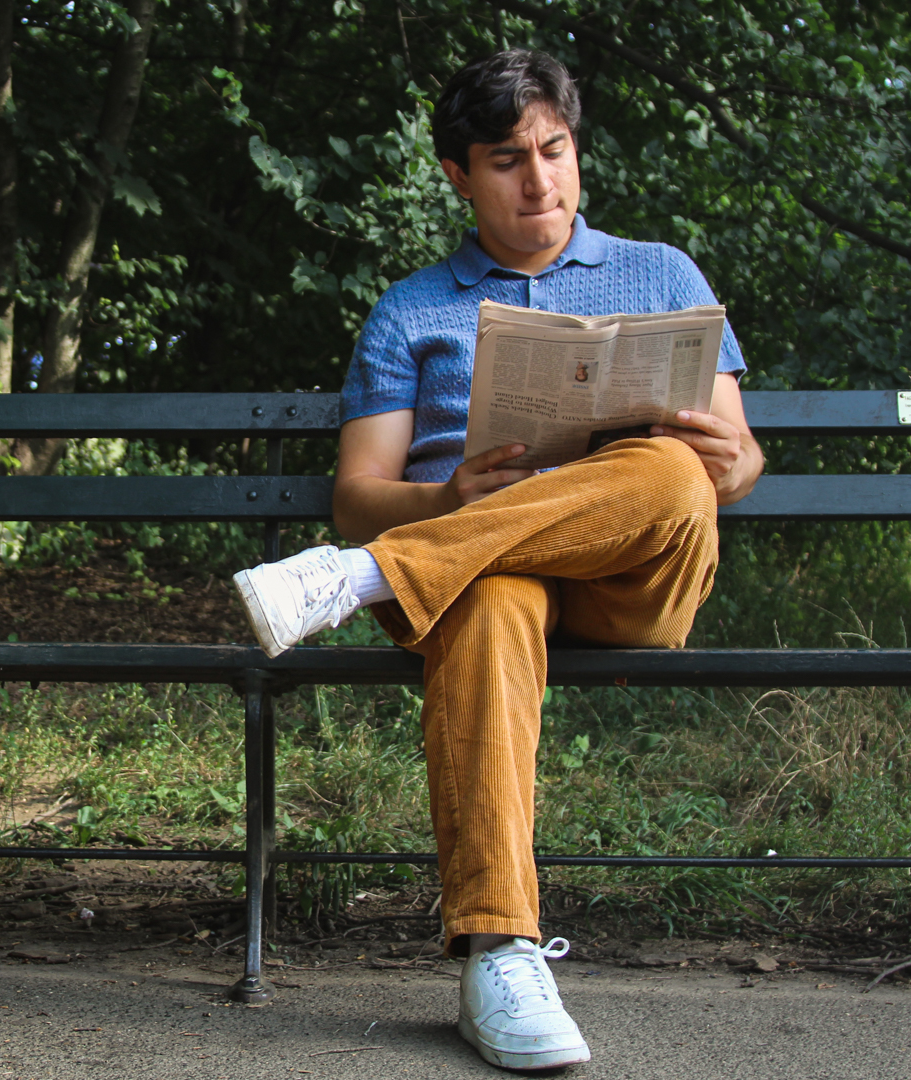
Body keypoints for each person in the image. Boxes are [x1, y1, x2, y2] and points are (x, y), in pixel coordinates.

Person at [233, 49, 762, 1071]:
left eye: (554, 150)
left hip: (633, 578)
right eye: (508, 160)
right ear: (458, 175)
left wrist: (733, 461)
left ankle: (362, 577)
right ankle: (499, 952)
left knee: (669, 471)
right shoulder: (412, 308)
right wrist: (447, 499)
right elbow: (358, 492)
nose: (540, 180)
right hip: (484, 576)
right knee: (485, 596)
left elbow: (731, 466)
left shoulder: (662, 273)